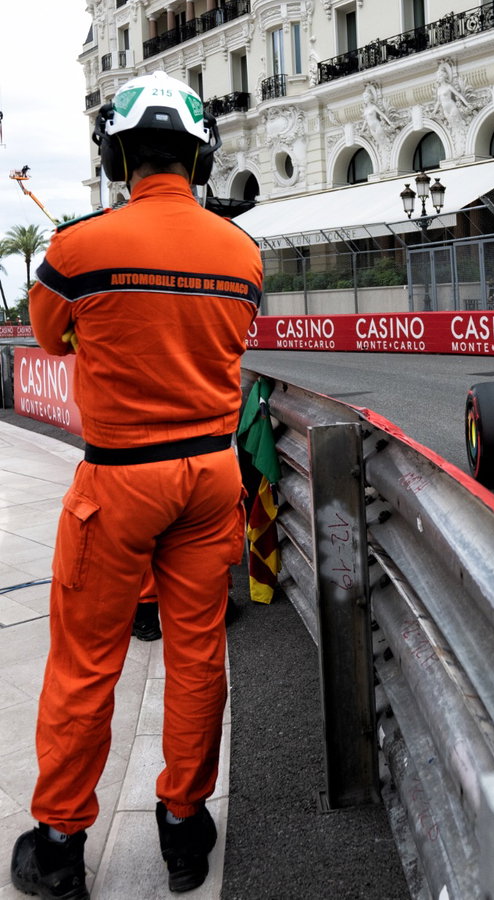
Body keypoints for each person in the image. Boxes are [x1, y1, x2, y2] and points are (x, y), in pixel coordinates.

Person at [14, 71, 260, 899]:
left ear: (116, 157)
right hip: (212, 475)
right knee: (198, 654)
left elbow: (52, 340)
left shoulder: (77, 248)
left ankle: (59, 845)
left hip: (120, 481)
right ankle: (185, 828)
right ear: (200, 158)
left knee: (86, 664)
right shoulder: (242, 252)